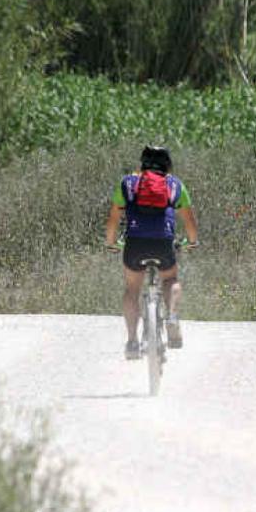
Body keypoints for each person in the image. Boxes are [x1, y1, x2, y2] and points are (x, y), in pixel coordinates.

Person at [104, 145, 199, 359]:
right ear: (168, 165)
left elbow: (112, 221)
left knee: (132, 290)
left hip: (134, 243)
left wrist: (111, 243)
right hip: (163, 243)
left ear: (142, 163)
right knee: (170, 278)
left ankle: (131, 342)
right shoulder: (175, 185)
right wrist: (191, 242)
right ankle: (172, 316)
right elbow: (190, 223)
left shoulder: (128, 183)